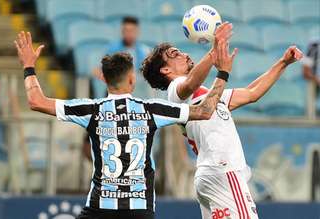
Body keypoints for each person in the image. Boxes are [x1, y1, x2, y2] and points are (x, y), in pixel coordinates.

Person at [14, 31, 234, 219]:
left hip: (100, 207)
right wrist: (222, 73)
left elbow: (36, 102)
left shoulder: (92, 110)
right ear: (131, 80)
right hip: (139, 209)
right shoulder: (151, 109)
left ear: (104, 79)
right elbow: (205, 111)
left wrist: (29, 67)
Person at [141, 26, 303, 218]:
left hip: (212, 174)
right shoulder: (175, 92)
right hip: (223, 170)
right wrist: (215, 49)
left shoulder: (205, 95)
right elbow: (190, 83)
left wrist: (283, 63)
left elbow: (252, 93)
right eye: (175, 54)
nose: (184, 54)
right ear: (165, 69)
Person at [103, 16, 151, 99]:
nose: (129, 34)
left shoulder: (145, 51)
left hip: (138, 89)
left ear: (137, 32)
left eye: (132, 30)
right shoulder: (112, 50)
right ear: (122, 31)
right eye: (126, 30)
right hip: (117, 87)